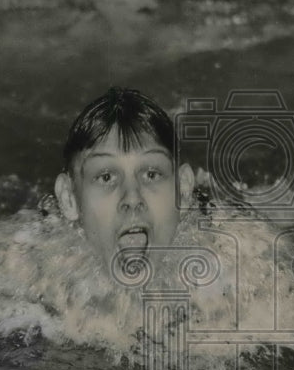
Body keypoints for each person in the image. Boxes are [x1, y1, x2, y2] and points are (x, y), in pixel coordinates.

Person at [54, 87, 195, 274]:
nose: (132, 198)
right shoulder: (31, 277)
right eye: (106, 177)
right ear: (69, 199)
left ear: (183, 190)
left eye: (151, 175)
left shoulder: (234, 260)